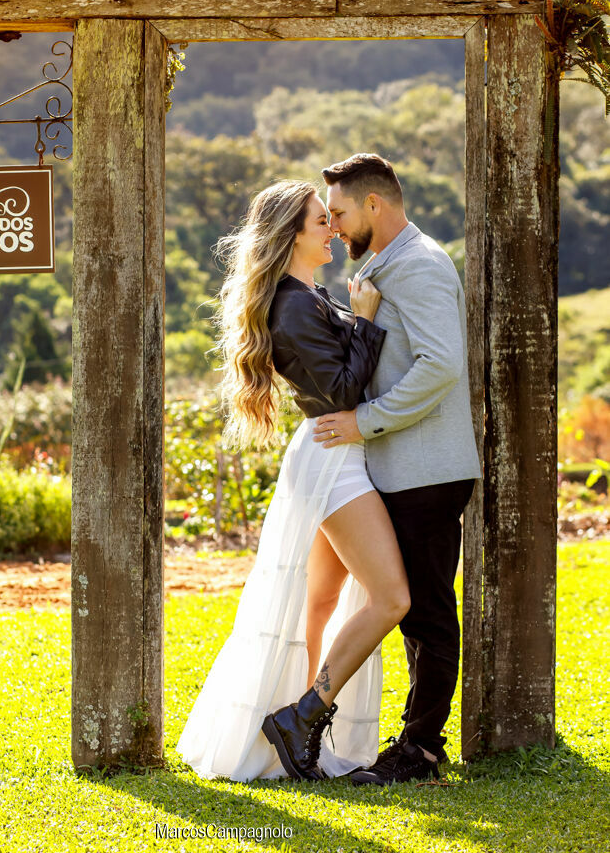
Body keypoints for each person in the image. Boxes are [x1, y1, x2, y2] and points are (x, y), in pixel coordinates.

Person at [177, 179, 411, 782]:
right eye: (319, 221)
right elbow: (341, 392)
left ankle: (298, 736)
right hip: (333, 459)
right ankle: (304, 715)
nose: (333, 227)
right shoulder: (294, 305)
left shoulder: (309, 293)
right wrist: (364, 321)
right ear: (290, 235)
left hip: (336, 451)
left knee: (323, 601)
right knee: (391, 598)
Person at [311, 153, 482, 785]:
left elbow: (441, 365)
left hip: (427, 469)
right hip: (402, 470)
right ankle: (416, 743)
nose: (334, 226)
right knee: (412, 610)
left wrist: (366, 421)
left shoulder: (420, 266)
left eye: (340, 213)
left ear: (375, 205)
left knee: (429, 610)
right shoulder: (384, 266)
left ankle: (422, 751)